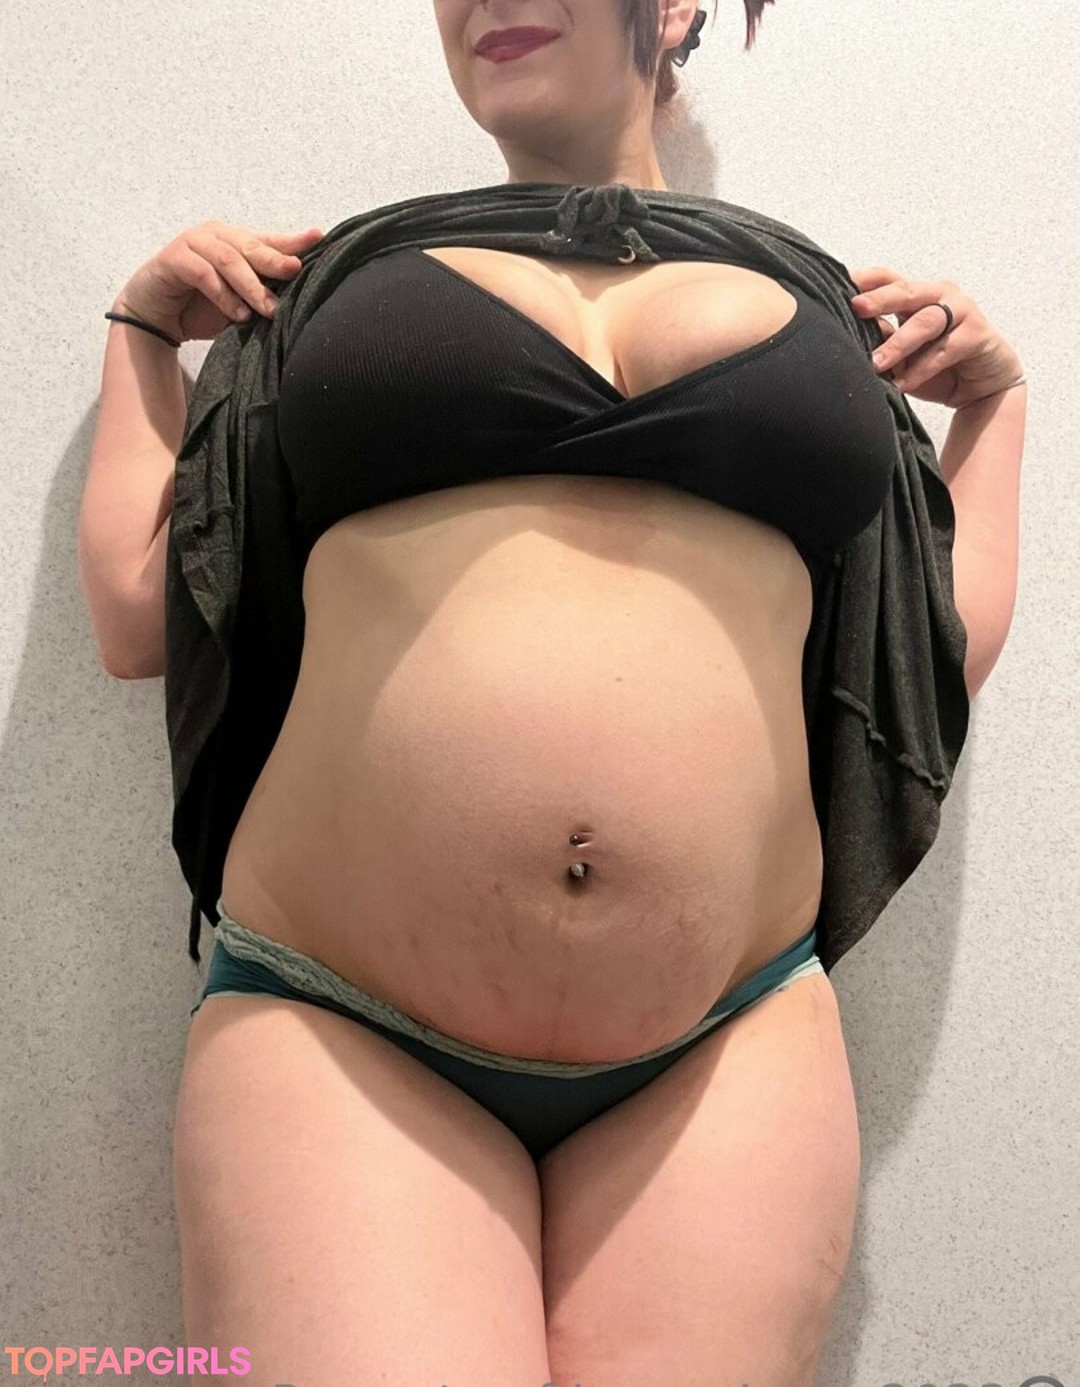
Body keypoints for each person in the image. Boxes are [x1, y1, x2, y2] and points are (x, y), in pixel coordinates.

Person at [81, 1, 1025, 1383]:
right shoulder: (332, 281)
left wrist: (997, 409)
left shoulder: (826, 304)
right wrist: (142, 333)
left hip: (730, 1042)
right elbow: (138, 614)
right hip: (340, 1029)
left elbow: (924, 658)